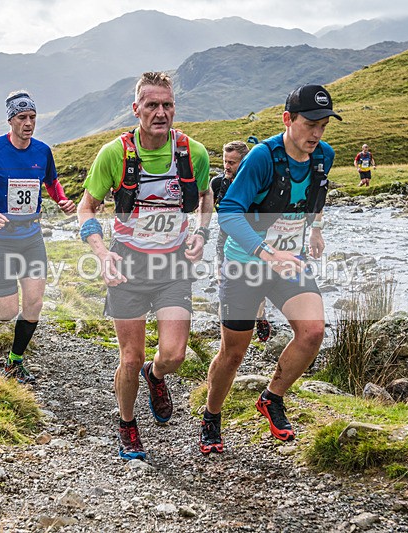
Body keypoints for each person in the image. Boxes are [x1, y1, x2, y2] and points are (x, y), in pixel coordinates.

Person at [77, 71, 212, 460]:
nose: (160, 112)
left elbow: (205, 197)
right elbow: (87, 206)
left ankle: (157, 377)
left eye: (167, 105)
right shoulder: (114, 154)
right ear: (135, 109)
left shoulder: (193, 153)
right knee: (130, 358)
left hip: (173, 266)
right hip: (128, 264)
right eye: (151, 105)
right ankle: (127, 424)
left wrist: (201, 234)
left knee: (173, 356)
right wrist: (102, 253)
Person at [201, 84, 339, 454]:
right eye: (310, 123)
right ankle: (211, 415)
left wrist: (317, 230)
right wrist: (266, 252)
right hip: (245, 263)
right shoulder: (263, 158)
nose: (317, 133)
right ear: (287, 119)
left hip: (289, 262)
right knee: (233, 353)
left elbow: (317, 197)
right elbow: (229, 213)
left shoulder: (324, 155)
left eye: (323, 125)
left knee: (312, 331)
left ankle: (272, 397)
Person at [0, 90, 75, 384]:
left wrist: (61, 199)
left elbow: (51, 182)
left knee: (34, 303)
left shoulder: (42, 151)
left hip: (31, 237)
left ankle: (15, 361)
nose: (28, 123)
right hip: (0, 239)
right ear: (10, 119)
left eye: (32, 117)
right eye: (22, 117)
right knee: (7, 310)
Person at [211, 140, 272, 342]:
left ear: (244, 162)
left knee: (255, 281)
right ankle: (226, 328)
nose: (227, 166)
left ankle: (259, 316)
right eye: (225, 161)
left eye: (232, 162)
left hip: (251, 238)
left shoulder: (256, 182)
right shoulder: (218, 183)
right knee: (223, 279)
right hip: (224, 237)